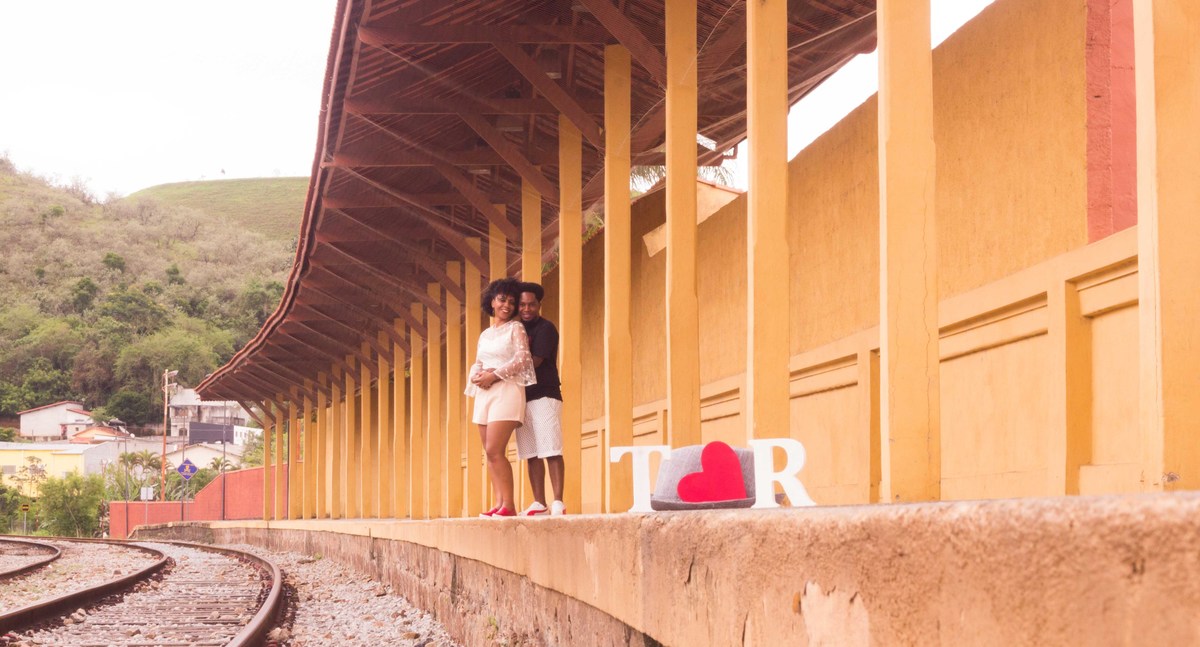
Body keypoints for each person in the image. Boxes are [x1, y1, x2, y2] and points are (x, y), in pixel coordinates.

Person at [465, 277, 536, 518]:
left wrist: (493, 375)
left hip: (507, 390)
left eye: (511, 302)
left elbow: (522, 359)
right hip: (484, 393)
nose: (507, 305)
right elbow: (478, 361)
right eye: (502, 299)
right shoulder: (485, 334)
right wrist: (476, 376)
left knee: (495, 449)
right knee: (489, 452)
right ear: (492, 302)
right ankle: (498, 502)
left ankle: (509, 505)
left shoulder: (516, 328)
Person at [515, 282, 566, 516]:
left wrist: (499, 373)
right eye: (522, 305)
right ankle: (539, 502)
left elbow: (534, 362)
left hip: (544, 395)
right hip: (521, 398)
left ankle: (558, 501)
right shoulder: (515, 330)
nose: (526, 309)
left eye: (531, 304)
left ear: (539, 305)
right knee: (531, 452)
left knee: (551, 448)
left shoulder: (546, 328)